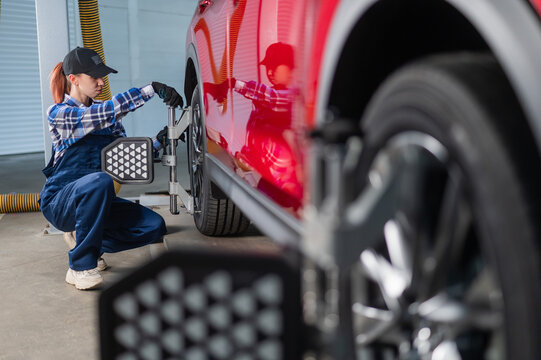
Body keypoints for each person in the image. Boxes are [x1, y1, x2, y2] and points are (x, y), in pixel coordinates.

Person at [38, 47, 182, 290]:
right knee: (100, 181)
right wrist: (150, 89)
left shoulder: (109, 118)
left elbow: (126, 159)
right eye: (93, 76)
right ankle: (80, 266)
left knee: (153, 226)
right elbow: (103, 113)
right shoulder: (59, 113)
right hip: (61, 202)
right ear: (73, 79)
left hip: (97, 198)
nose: (100, 81)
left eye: (102, 76)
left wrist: (161, 141)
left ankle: (86, 240)